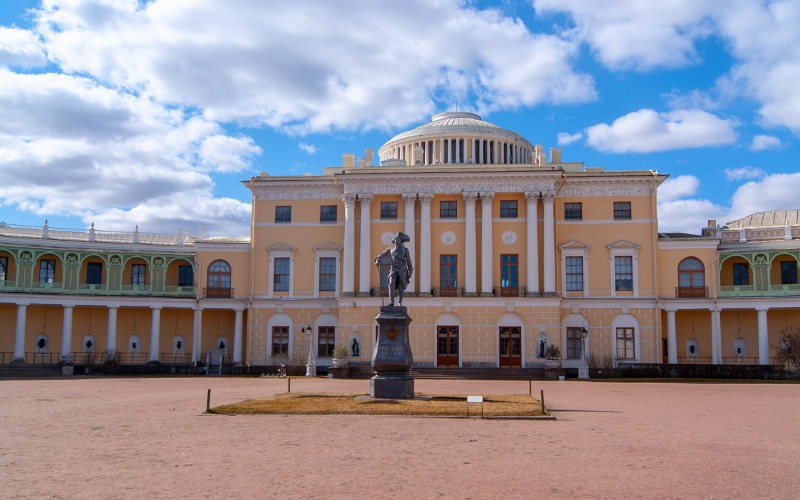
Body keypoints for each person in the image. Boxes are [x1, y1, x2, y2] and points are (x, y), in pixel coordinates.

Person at [375, 231, 413, 306]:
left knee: (400, 286)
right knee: (391, 283)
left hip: (402, 270)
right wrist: (378, 260)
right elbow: (382, 254)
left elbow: (409, 261)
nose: (396, 239)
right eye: (395, 238)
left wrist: (410, 271)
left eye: (398, 238)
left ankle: (399, 302)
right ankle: (392, 302)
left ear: (401, 240)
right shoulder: (390, 249)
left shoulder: (405, 250)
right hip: (394, 269)